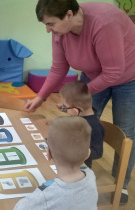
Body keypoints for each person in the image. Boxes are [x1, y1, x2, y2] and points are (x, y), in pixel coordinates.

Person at [25, 0, 135, 204]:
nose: (48, 30)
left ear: (69, 15)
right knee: (79, 126)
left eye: (50, 24)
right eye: (45, 25)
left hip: (129, 78)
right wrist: (41, 97)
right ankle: (81, 179)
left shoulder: (104, 22)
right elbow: (59, 68)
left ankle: (123, 184)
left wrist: (76, 96)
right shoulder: (60, 33)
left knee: (126, 132)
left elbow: (113, 72)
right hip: (94, 75)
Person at [14, 116, 98, 210]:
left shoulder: (45, 195)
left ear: (48, 154)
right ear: (88, 153)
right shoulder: (90, 175)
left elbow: (19, 207)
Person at [59, 81, 104, 168]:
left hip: (80, 167)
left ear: (76, 110)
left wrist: (77, 151)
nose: (63, 108)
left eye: (65, 106)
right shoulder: (78, 115)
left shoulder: (95, 127)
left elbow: (98, 153)